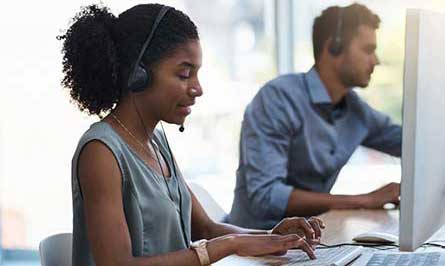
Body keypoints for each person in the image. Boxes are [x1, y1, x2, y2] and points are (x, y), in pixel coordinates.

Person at [59, 3, 325, 266]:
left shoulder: (156, 142)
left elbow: (207, 230)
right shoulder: (101, 152)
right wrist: (228, 245)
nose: (197, 88)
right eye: (185, 74)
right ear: (138, 74)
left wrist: (273, 238)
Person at [228, 3, 402, 230]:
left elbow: (412, 144)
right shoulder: (279, 99)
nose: (376, 61)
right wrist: (364, 200)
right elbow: (266, 197)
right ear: (334, 47)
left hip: (313, 241)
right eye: (368, 50)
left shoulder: (357, 111)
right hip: (256, 245)